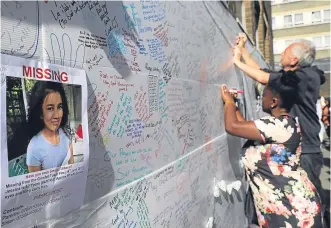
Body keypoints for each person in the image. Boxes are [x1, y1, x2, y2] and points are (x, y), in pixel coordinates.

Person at [233, 34, 326, 213]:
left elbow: (262, 78)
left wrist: (237, 60)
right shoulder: (294, 76)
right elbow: (264, 73)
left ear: (294, 59)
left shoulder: (305, 77)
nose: (281, 53)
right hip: (296, 148)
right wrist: (242, 49)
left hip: (304, 151)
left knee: (305, 204)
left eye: (286, 50)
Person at [220, 71, 323, 227]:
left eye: (264, 94)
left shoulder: (279, 126)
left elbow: (232, 126)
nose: (262, 97)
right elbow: (244, 127)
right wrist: (233, 105)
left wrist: (228, 102)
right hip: (286, 207)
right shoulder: (283, 124)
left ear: (274, 101)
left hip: (294, 212)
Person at [26, 81, 73, 172]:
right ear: (39, 113)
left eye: (59, 107)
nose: (57, 115)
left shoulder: (66, 134)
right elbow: (36, 185)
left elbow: (72, 168)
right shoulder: (34, 147)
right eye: (50, 108)